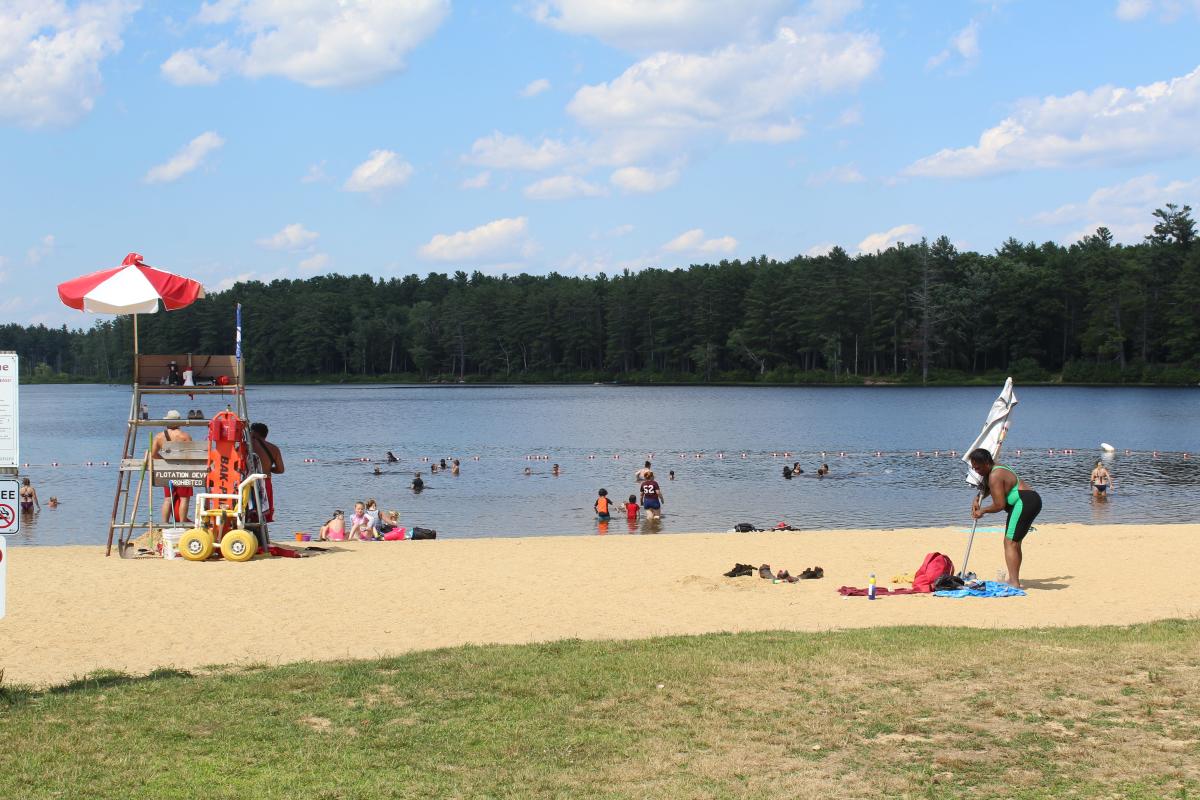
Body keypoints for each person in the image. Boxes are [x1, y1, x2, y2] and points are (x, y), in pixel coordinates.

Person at [969, 448, 1042, 589]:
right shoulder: (996, 468)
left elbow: (999, 505)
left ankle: (1014, 582)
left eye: (977, 468)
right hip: (1029, 500)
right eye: (973, 468)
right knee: (1014, 542)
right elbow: (988, 488)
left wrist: (982, 510)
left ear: (986, 463)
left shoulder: (994, 475)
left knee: (1010, 543)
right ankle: (1014, 579)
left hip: (1024, 502)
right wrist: (977, 498)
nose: (976, 471)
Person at [153, 410, 192, 522]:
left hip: (167, 471)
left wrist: (165, 461)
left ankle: (164, 523)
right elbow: (191, 455)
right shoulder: (185, 436)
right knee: (184, 498)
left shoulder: (159, 437)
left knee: (168, 499)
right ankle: (182, 523)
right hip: (183, 471)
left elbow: (154, 455)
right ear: (179, 422)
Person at [250, 422, 285, 523]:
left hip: (250, 482)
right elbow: (280, 470)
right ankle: (261, 536)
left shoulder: (247, 446)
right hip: (266, 483)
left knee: (248, 512)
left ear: (252, 433)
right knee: (263, 515)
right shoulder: (274, 448)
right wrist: (268, 468)